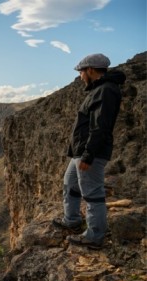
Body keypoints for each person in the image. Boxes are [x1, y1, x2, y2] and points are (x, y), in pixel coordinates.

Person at [52, 53, 126, 249]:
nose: (81, 76)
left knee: (93, 194)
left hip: (89, 152)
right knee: (70, 184)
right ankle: (73, 220)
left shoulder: (106, 91)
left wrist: (88, 155)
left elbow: (100, 127)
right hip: (80, 152)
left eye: (81, 72)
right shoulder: (99, 90)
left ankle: (94, 236)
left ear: (91, 70)